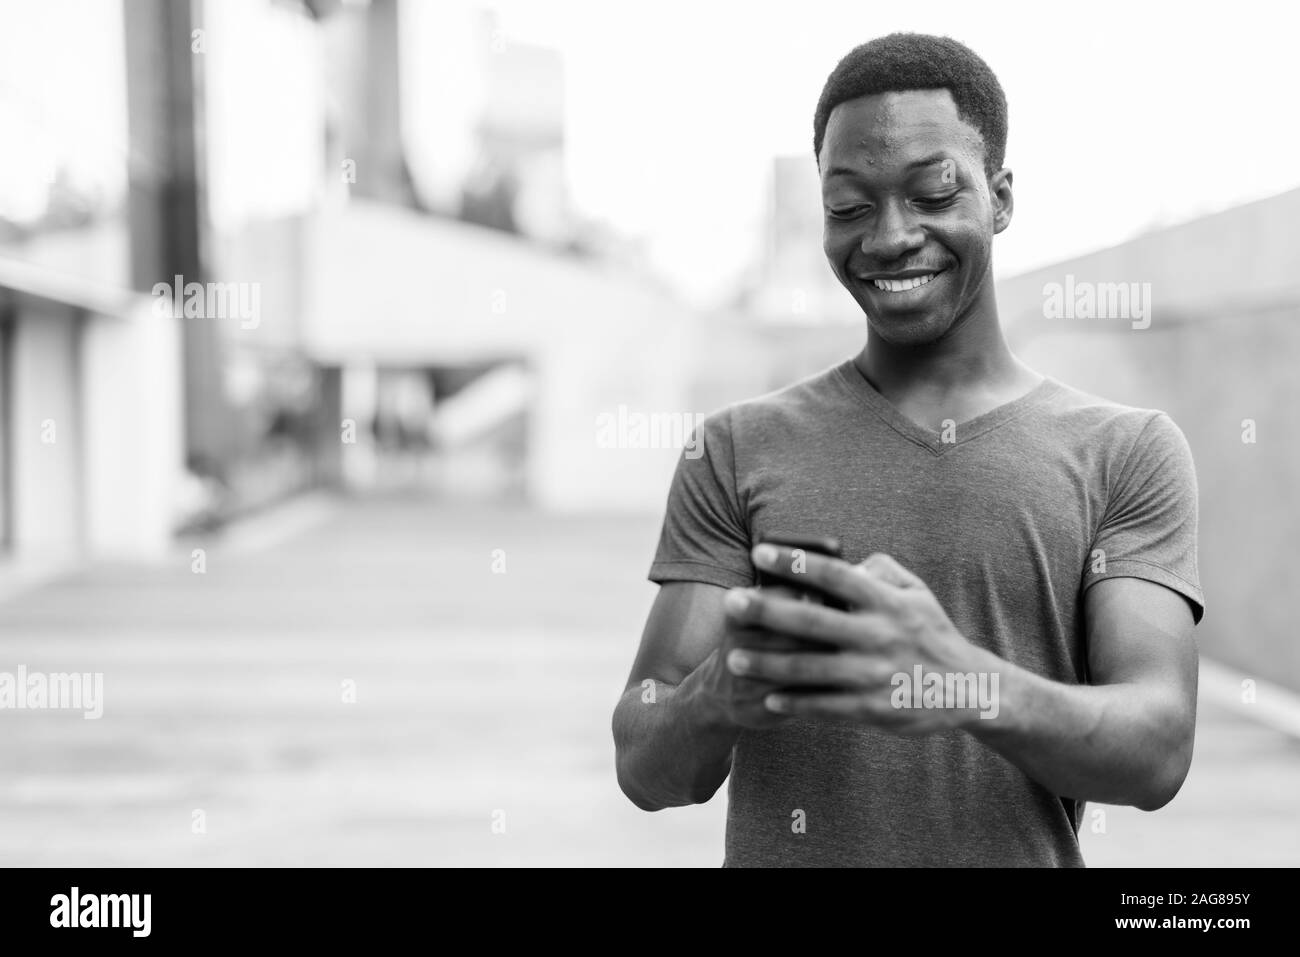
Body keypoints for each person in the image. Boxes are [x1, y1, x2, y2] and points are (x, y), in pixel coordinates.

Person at [611, 32, 1204, 867]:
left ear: (999, 198)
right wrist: (728, 684)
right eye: (849, 206)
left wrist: (952, 676)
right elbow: (645, 760)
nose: (889, 237)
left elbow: (1157, 748)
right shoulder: (735, 448)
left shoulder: (1126, 451)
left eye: (931, 193)